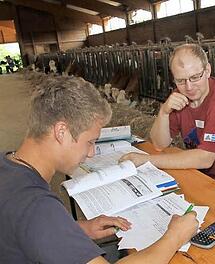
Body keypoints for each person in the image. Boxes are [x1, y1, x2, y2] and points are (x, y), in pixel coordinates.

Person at [0, 76, 198, 263]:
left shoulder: (8, 164)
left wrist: (75, 230)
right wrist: (174, 237)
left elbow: (24, 229)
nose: (92, 153)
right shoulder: (37, 206)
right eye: (90, 142)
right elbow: (37, 217)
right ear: (62, 132)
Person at [120, 44, 215, 198]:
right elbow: (159, 143)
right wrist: (163, 112)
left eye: (195, 77)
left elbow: (205, 158)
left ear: (207, 70)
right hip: (205, 175)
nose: (189, 87)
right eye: (181, 80)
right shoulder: (180, 96)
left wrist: (146, 160)